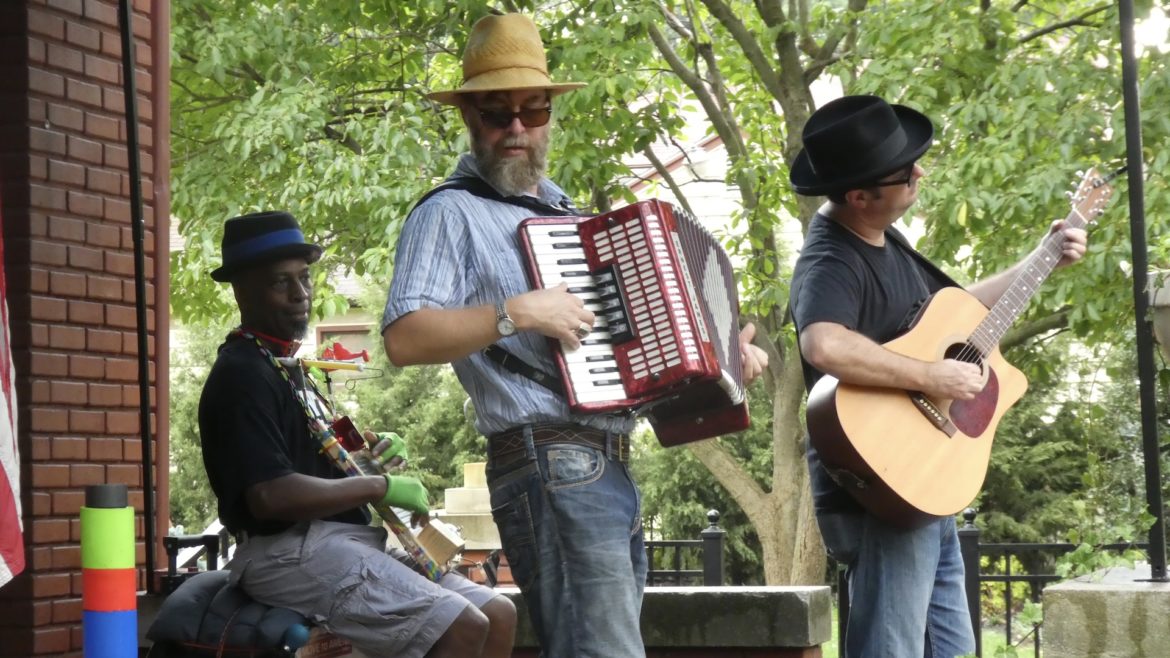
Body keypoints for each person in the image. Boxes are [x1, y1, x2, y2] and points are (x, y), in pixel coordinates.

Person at [381, 13, 768, 657]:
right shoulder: (448, 212)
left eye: (532, 112)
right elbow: (404, 338)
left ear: (548, 120)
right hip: (548, 459)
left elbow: (632, 358)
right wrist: (516, 313)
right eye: (497, 113)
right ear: (469, 118)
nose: (516, 128)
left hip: (606, 461)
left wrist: (723, 363)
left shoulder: (565, 214)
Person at [787, 95, 1088, 657]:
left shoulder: (886, 241)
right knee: (892, 646)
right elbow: (824, 343)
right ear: (859, 196)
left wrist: (1039, 260)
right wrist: (931, 376)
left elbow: (954, 312)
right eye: (906, 172)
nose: (920, 173)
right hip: (881, 486)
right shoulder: (831, 259)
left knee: (949, 645)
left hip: (926, 480)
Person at [198, 210, 517, 658]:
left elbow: (318, 468)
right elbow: (269, 496)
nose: (300, 294)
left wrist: (368, 458)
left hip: (340, 540)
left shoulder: (288, 370)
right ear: (242, 289)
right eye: (279, 282)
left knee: (499, 612)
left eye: (304, 278)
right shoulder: (241, 373)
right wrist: (379, 485)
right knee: (462, 625)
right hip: (285, 552)